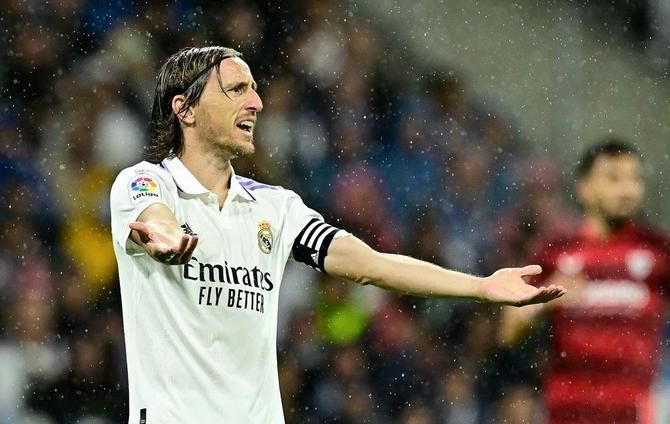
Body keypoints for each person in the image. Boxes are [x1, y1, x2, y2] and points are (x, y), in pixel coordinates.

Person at [109, 46, 565, 424]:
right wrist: (166, 239)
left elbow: (370, 265)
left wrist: (480, 287)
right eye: (236, 89)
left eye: (255, 88)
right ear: (184, 108)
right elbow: (156, 219)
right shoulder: (145, 181)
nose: (256, 103)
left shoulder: (275, 207)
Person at [499, 139, 670, 424]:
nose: (627, 189)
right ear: (584, 188)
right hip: (567, 412)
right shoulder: (555, 251)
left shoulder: (658, 250)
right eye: (614, 178)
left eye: (635, 179)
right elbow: (508, 332)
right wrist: (541, 303)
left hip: (634, 413)